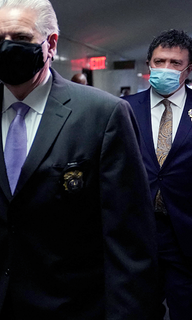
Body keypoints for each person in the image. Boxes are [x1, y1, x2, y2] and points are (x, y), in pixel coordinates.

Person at [0, 0, 158, 319]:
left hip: (73, 305)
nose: (6, 48)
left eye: (20, 38)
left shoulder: (102, 115)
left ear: (51, 44)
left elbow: (128, 236)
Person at [123, 29, 192, 320]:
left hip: (185, 237)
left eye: (175, 63)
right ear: (148, 64)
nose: (166, 68)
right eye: (159, 61)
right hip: (138, 235)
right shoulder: (124, 109)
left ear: (189, 70)